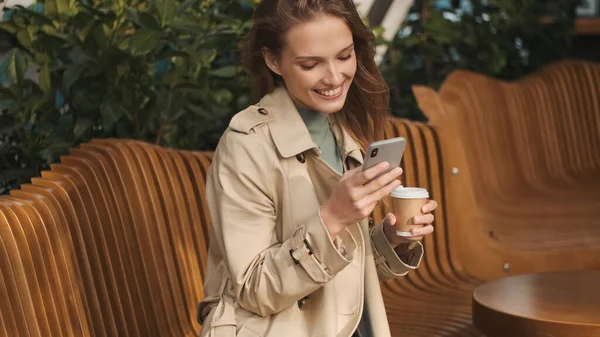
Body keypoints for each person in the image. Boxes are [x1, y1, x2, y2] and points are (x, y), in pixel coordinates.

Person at [197, 0, 437, 336]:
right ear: (272, 60)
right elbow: (254, 289)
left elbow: (340, 269)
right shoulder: (246, 146)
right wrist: (334, 217)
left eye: (344, 56)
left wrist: (392, 239)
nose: (335, 77)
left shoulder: (342, 127)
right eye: (311, 64)